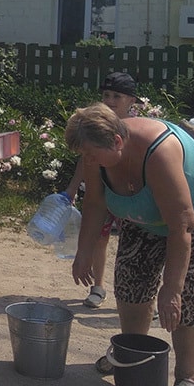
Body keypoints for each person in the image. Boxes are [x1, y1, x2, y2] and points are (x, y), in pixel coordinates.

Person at [64, 102, 194, 386]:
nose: (87, 161)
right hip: (145, 217)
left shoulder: (159, 152)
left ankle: (189, 376)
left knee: (189, 290)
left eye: (91, 154)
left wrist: (171, 288)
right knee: (131, 280)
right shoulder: (96, 155)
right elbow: (93, 204)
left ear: (116, 142)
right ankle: (133, 356)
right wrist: (84, 251)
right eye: (83, 155)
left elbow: (181, 226)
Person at [64, 71, 138, 308]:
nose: (110, 101)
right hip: (100, 191)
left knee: (138, 244)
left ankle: (144, 295)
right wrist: (73, 188)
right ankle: (98, 286)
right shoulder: (94, 126)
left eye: (117, 96)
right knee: (99, 238)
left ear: (131, 101)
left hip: (129, 195)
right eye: (106, 95)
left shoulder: (136, 128)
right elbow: (85, 159)